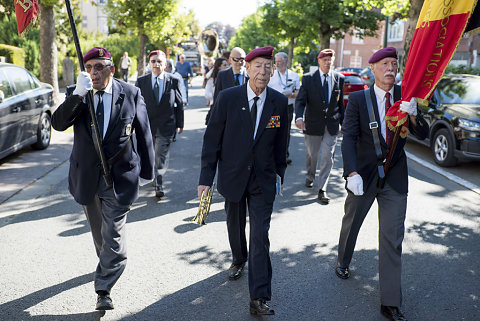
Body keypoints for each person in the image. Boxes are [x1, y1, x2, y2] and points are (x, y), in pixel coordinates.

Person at [51, 47, 155, 310]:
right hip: (87, 176)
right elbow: (58, 124)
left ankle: (103, 289)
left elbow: (143, 134)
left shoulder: (131, 93)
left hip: (120, 177)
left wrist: (147, 173)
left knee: (114, 238)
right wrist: (76, 95)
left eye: (99, 67)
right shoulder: (79, 94)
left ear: (111, 68)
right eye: (89, 68)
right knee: (101, 235)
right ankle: (105, 263)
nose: (93, 73)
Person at [335, 47, 429, 321]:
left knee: (392, 237)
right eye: (385, 64)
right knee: (352, 222)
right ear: (373, 68)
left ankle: (390, 302)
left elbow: (422, 132)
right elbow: (349, 137)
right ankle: (343, 260)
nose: (391, 68)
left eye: (394, 64)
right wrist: (351, 173)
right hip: (363, 174)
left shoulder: (405, 95)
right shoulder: (359, 99)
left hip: (395, 176)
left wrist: (413, 115)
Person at [198, 46, 288, 316]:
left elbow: (281, 144)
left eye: (268, 66)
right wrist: (206, 178)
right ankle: (238, 258)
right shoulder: (227, 98)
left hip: (263, 179)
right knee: (235, 226)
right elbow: (212, 139)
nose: (263, 71)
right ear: (247, 69)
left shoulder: (279, 102)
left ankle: (259, 296)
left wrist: (279, 175)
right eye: (258, 66)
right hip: (233, 176)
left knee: (260, 236)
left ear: (273, 71)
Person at [295, 49, 345, 204]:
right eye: (324, 60)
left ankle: (322, 188)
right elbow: (301, 100)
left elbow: (340, 102)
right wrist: (298, 117)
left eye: (330, 60)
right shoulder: (309, 79)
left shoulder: (339, 78)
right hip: (313, 123)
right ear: (319, 61)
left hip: (331, 125)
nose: (327, 63)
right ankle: (310, 175)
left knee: (327, 156)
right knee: (312, 154)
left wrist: (344, 124)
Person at [135, 50, 184, 198]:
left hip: (166, 126)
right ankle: (150, 175)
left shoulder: (173, 80)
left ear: (165, 64)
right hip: (145, 127)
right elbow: (135, 104)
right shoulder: (141, 81)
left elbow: (179, 103)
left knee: (160, 156)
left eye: (159, 62)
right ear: (149, 64)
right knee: (147, 155)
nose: (156, 64)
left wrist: (180, 123)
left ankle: (159, 183)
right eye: (153, 61)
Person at [268, 52, 301, 164]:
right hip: (273, 108)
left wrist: (292, 95)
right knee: (273, 129)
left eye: (280, 62)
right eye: (276, 62)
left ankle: (284, 155)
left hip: (288, 108)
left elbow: (298, 91)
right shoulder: (271, 75)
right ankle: (271, 154)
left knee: (285, 132)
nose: (277, 64)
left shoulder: (293, 75)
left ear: (286, 62)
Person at [204, 57, 228, 124]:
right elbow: (207, 94)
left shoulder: (228, 77)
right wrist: (215, 97)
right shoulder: (212, 78)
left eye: (227, 64)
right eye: (224, 65)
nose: (227, 67)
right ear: (219, 67)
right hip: (216, 106)